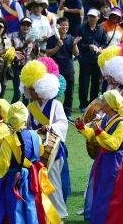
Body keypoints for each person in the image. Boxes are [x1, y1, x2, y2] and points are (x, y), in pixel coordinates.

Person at [75, 90, 123, 223]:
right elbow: (92, 135)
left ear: (111, 105)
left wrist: (99, 131)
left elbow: (114, 144)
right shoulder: (105, 118)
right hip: (104, 160)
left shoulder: (121, 123)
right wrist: (82, 127)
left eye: (104, 102)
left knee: (116, 195)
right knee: (102, 192)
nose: (101, 103)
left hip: (117, 163)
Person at [21, 60, 70, 220]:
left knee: (54, 181)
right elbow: (27, 127)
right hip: (37, 150)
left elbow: (62, 123)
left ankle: (60, 214)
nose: (30, 90)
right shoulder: (30, 107)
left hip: (54, 149)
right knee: (40, 182)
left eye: (32, 87)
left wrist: (51, 127)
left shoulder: (56, 104)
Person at [46, 18, 81, 118]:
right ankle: (50, 113)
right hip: (55, 70)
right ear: (58, 26)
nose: (65, 27)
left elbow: (76, 53)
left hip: (68, 69)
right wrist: (57, 47)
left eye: (66, 25)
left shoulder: (71, 38)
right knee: (53, 93)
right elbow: (48, 53)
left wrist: (74, 44)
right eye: (62, 25)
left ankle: (67, 114)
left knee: (69, 94)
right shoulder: (52, 39)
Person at [77, 9, 107, 112]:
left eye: (93, 17)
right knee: (84, 83)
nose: (91, 18)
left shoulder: (101, 30)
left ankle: (93, 104)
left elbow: (104, 43)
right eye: (90, 16)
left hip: (97, 59)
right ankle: (83, 105)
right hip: (85, 59)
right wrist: (88, 46)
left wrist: (100, 48)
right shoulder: (81, 29)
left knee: (96, 83)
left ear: (98, 18)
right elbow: (78, 44)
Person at [8, 17, 35, 103]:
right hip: (16, 66)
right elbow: (16, 48)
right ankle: (10, 113)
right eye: (24, 24)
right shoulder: (14, 35)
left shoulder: (33, 37)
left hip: (27, 68)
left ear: (31, 27)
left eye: (28, 25)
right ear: (20, 26)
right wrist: (25, 43)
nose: (25, 26)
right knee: (17, 94)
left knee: (26, 95)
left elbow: (33, 53)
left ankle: (24, 115)